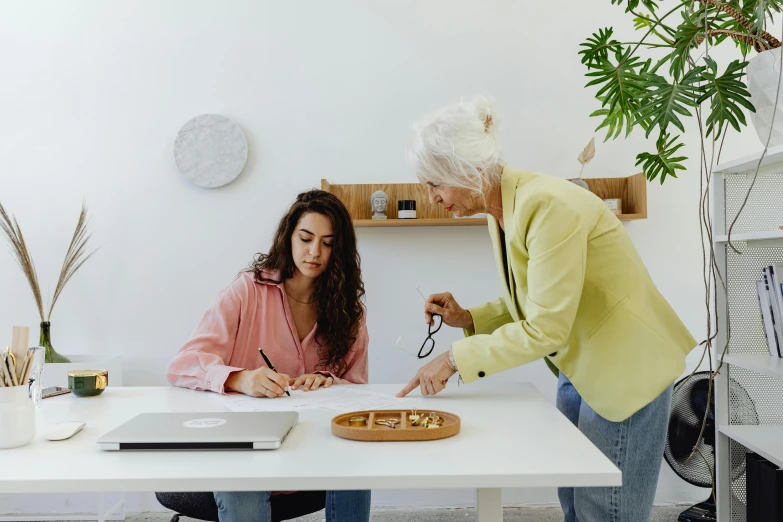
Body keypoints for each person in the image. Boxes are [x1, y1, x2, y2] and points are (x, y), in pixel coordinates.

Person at [397, 96, 696, 522]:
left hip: (625, 370)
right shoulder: (502, 209)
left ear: (467, 171)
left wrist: (451, 360)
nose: (432, 198)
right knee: (575, 504)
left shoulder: (545, 204)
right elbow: (544, 297)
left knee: (605, 512)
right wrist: (468, 320)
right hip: (581, 368)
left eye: (435, 184)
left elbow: (545, 327)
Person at [166, 189, 371, 522]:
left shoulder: (349, 312)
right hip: (244, 445)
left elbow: (357, 387)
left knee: (355, 467)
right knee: (243, 484)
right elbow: (183, 364)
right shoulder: (248, 291)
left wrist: (330, 381)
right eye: (305, 238)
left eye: (328, 243)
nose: (314, 252)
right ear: (288, 237)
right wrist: (241, 378)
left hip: (312, 443)